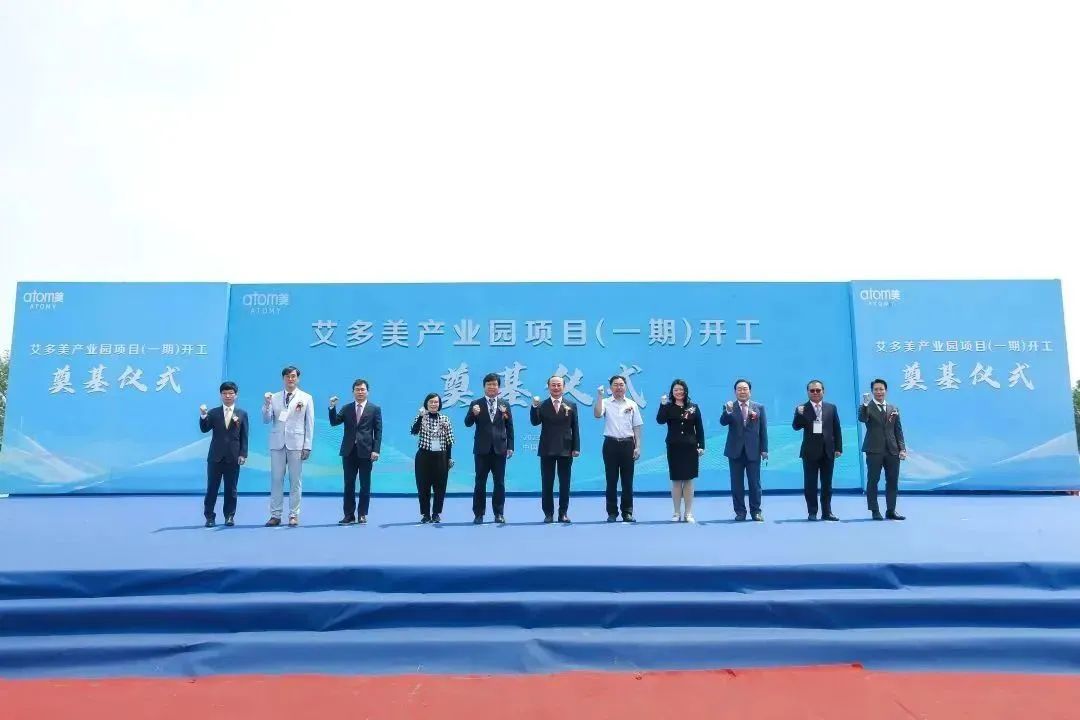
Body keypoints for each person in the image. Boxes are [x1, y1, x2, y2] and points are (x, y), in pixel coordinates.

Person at [262, 366, 314, 527]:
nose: (290, 379)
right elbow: (266, 419)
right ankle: (275, 515)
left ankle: (293, 515)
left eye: (293, 376)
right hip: (277, 443)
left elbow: (309, 424)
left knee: (295, 480)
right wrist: (267, 404)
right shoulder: (274, 397)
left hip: (297, 444)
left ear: (298, 378)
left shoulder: (306, 398)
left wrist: (307, 445)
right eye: (287, 376)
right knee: (276, 479)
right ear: (283, 378)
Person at [329, 378, 383, 525]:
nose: (360, 392)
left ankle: (362, 514)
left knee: (365, 485)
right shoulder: (347, 408)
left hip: (366, 452)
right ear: (353, 392)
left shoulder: (374, 409)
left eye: (362, 389)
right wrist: (332, 407)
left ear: (367, 392)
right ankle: (349, 515)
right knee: (349, 484)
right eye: (357, 390)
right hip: (349, 452)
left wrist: (376, 450)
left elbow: (378, 431)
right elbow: (334, 422)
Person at [464, 373, 514, 524]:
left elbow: (510, 427)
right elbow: (467, 423)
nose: (492, 387)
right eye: (489, 384)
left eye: (494, 384)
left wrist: (510, 447)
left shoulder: (505, 404)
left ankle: (499, 513)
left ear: (499, 387)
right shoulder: (476, 404)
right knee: (480, 482)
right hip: (482, 449)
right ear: (484, 386)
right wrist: (473, 414)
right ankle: (478, 514)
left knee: (499, 482)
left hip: (500, 449)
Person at [593, 375, 643, 522]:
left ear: (625, 387)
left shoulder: (632, 404)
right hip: (610, 444)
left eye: (621, 384)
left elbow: (637, 426)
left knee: (627, 481)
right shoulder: (606, 402)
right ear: (611, 387)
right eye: (615, 384)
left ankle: (627, 512)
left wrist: (638, 446)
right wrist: (599, 396)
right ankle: (612, 512)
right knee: (611, 480)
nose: (619, 387)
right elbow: (597, 414)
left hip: (628, 444)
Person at [530, 375, 580, 523]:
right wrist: (534, 407)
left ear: (563, 387)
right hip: (547, 448)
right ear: (548, 387)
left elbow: (575, 427)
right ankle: (548, 513)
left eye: (559, 385)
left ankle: (563, 513)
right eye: (553, 385)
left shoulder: (571, 405)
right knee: (547, 483)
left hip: (566, 449)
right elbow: (535, 422)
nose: (556, 387)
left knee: (565, 483)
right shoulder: (542, 405)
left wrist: (576, 447)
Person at [199, 381, 248, 527]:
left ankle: (229, 516)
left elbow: (244, 436)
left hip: (233, 457)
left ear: (236, 395)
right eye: (224, 393)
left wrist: (243, 454)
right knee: (212, 488)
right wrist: (203, 416)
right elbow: (204, 429)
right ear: (221, 395)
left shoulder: (242, 414)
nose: (227, 396)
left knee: (231, 489)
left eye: (230, 393)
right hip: (215, 457)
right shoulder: (213, 413)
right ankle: (209, 517)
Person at [655, 378, 705, 523]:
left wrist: (701, 446)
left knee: (689, 480)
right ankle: (676, 512)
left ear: (685, 391)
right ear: (672, 392)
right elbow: (660, 420)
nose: (678, 392)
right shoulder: (668, 407)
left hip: (690, 447)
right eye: (676, 390)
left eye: (681, 389)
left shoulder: (693, 407)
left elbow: (699, 428)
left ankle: (688, 513)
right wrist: (662, 404)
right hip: (674, 447)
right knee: (676, 480)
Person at [792, 379, 842, 521]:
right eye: (812, 390)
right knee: (810, 484)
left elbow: (837, 428)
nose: (815, 393)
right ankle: (812, 512)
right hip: (810, 452)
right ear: (808, 392)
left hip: (828, 451)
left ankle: (827, 512)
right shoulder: (802, 408)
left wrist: (838, 448)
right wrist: (799, 414)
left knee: (827, 484)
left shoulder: (831, 407)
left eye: (818, 390)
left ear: (823, 392)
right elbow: (796, 427)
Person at [720, 378, 768, 521]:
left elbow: (763, 430)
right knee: (737, 484)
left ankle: (756, 511)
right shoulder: (729, 406)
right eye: (739, 389)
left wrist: (764, 449)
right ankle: (740, 512)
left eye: (745, 389)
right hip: (735, 451)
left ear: (750, 391)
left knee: (755, 483)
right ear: (735, 392)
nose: (742, 391)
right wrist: (728, 412)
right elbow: (723, 422)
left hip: (753, 451)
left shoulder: (759, 407)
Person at [858, 378, 907, 520]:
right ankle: (874, 510)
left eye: (881, 389)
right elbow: (862, 418)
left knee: (892, 481)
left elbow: (898, 431)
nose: (879, 392)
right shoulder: (866, 407)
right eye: (876, 389)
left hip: (892, 450)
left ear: (886, 391)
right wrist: (865, 404)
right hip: (874, 450)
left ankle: (891, 510)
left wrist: (902, 448)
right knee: (873, 480)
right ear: (872, 391)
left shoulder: (893, 408)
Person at [411, 393, 455, 523]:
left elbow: (449, 441)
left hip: (441, 457)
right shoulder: (421, 417)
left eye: (436, 402)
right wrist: (420, 416)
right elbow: (414, 431)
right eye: (431, 402)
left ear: (439, 404)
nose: (433, 404)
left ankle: (436, 513)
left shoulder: (445, 419)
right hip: (423, 456)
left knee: (440, 486)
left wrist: (449, 458)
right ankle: (425, 514)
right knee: (423, 486)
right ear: (426, 404)